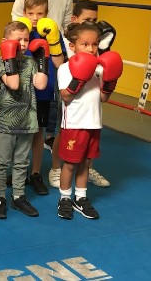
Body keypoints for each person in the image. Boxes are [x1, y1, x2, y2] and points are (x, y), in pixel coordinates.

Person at [11, 0, 73, 168]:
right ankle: (18, 169)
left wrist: (56, 41)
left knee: (40, 121)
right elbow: (15, 28)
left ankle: (35, 171)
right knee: (20, 128)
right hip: (24, 68)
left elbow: (67, 25)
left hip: (51, 59)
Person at [56, 23, 123, 220]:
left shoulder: (100, 69)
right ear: (72, 46)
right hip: (74, 125)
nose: (91, 49)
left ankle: (81, 198)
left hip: (94, 123)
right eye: (84, 44)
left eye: (94, 44)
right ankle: (65, 198)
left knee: (86, 163)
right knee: (69, 164)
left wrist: (110, 82)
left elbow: (103, 98)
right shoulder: (66, 68)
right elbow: (65, 97)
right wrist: (80, 77)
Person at [47, 0, 114, 189]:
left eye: (95, 19)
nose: (92, 23)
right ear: (75, 19)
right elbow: (60, 63)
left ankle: (87, 168)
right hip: (69, 84)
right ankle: (56, 168)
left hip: (91, 98)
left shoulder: (93, 41)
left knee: (88, 142)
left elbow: (103, 88)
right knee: (64, 129)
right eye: (87, 19)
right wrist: (78, 72)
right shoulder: (68, 41)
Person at [0, 21, 48, 220]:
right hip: (6, 121)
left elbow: (41, 85)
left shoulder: (31, 62)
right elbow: (13, 84)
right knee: (1, 163)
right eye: (18, 40)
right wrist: (9, 54)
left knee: (22, 162)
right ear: (5, 42)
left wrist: (42, 58)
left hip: (27, 119)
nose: (23, 43)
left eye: (26, 40)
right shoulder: (0, 62)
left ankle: (18, 196)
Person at [17, 0, 65, 196]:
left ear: (47, 13)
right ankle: (18, 172)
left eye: (40, 13)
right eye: (31, 13)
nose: (35, 18)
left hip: (44, 92)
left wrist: (52, 41)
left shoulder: (52, 33)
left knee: (38, 133)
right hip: (21, 92)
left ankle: (35, 173)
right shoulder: (19, 32)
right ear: (24, 13)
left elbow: (59, 64)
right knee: (20, 135)